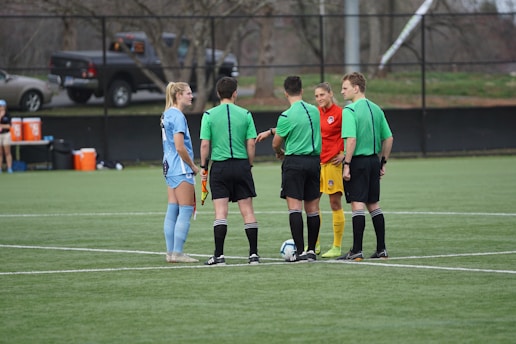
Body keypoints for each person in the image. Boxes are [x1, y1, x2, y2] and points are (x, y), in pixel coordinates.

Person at [200, 76, 260, 265]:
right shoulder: (246, 114)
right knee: (247, 210)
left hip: (220, 166)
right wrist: (248, 164)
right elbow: (251, 143)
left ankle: (219, 256)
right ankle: (253, 255)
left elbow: (204, 144)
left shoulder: (209, 115)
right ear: (235, 93)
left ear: (218, 94)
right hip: (241, 165)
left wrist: (203, 166)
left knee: (220, 211)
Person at [264, 75, 322, 262]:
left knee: (295, 209)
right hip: (314, 162)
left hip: (294, 162)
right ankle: (311, 250)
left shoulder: (286, 115)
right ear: (302, 91)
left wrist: (279, 151)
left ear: (285, 93)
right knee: (313, 209)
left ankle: (298, 251)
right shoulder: (314, 111)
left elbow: (276, 143)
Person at [337, 72, 393, 261]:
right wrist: (382, 162)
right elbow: (389, 138)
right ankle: (382, 249)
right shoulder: (377, 109)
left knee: (357, 205)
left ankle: (357, 251)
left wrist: (347, 165)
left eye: (345, 88)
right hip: (373, 161)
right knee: (374, 205)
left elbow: (351, 140)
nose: (342, 91)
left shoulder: (349, 110)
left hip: (358, 162)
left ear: (356, 88)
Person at [161, 82, 199, 263]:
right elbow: (179, 146)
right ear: (178, 95)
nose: (191, 96)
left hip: (169, 166)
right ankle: (177, 252)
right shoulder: (177, 117)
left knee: (172, 208)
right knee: (185, 210)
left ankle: (170, 253)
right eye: (188, 93)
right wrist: (192, 166)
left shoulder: (166, 114)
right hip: (181, 167)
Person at [314, 82, 346, 258]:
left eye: (322, 95)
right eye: (317, 96)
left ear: (330, 94)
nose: (319, 99)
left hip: (333, 163)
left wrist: (344, 153)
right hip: (317, 163)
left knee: (334, 203)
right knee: (312, 203)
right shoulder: (315, 113)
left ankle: (337, 246)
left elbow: (349, 134)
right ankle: (315, 244)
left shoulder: (340, 113)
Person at [0, 99, 13, 174]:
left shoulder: (8, 115)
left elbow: (9, 126)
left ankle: (9, 168)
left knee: (7, 152)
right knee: (0, 153)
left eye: (3, 106)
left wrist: (2, 125)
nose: (1, 107)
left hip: (6, 135)